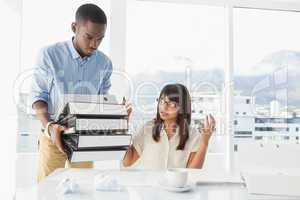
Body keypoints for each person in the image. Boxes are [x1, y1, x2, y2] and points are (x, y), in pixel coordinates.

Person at [30, 4, 113, 182]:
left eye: (100, 39)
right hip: (52, 133)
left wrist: (116, 114)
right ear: (74, 27)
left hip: (85, 137)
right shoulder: (49, 55)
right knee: (47, 189)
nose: (94, 44)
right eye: (89, 37)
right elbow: (38, 97)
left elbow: (101, 102)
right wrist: (50, 127)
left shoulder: (105, 63)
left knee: (84, 187)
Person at [122, 84, 215, 169]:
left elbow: (192, 173)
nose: (164, 107)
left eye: (172, 104)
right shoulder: (148, 128)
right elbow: (127, 161)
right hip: (149, 186)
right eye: (162, 101)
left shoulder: (193, 135)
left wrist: (204, 142)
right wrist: (123, 124)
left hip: (175, 187)